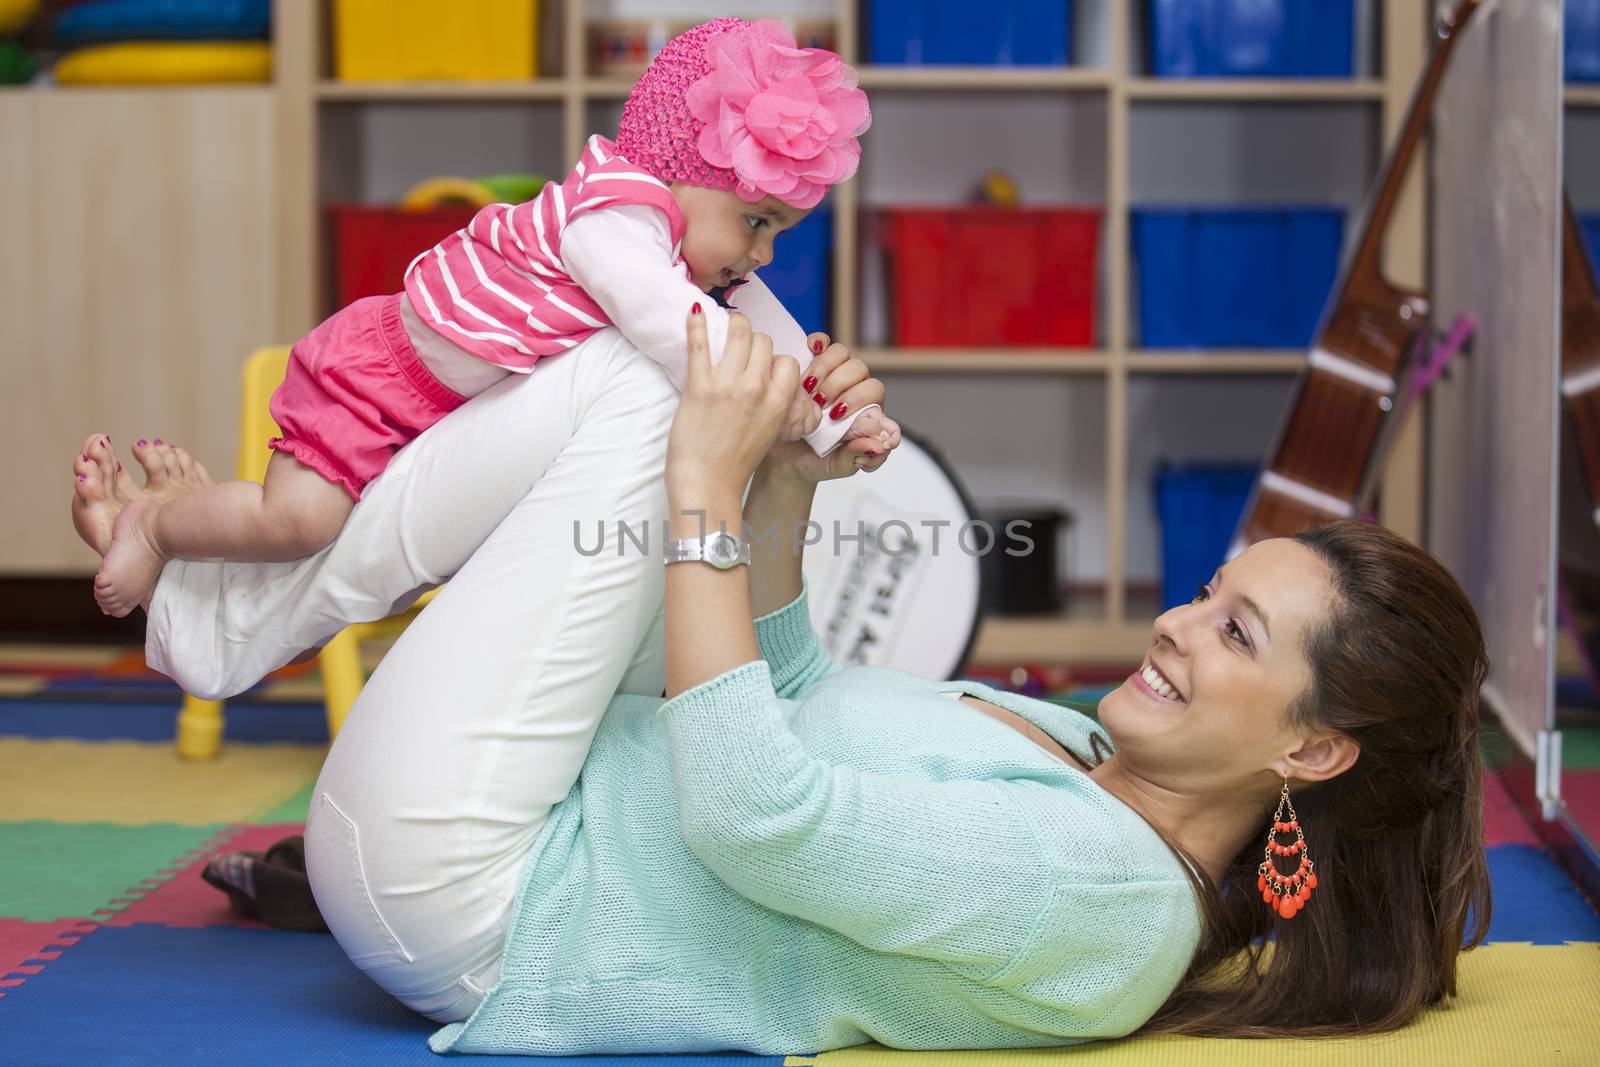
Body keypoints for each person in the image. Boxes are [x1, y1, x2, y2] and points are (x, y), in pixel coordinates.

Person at [79, 311, 1491, 1054]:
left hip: (486, 893)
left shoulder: (1109, 902)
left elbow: (757, 811)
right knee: (693, 339)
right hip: (539, 798)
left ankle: (231, 601)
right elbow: (794, 685)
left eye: (1239, 636)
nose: (1180, 623)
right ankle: (226, 595)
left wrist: (703, 480)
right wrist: (786, 486)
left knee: (658, 393)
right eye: (1211, 593)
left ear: (1314, 754)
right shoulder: (1082, 745)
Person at [75, 17, 887, 619]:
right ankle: (159, 527)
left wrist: (833, 425)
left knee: (352, 557)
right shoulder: (615, 218)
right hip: (376, 379)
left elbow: (769, 333)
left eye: (779, 230)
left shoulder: (678, 245)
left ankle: (192, 531)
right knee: (299, 523)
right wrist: (767, 399)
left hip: (432, 406)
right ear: (679, 174)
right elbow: (673, 329)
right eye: (756, 223)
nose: (764, 256)